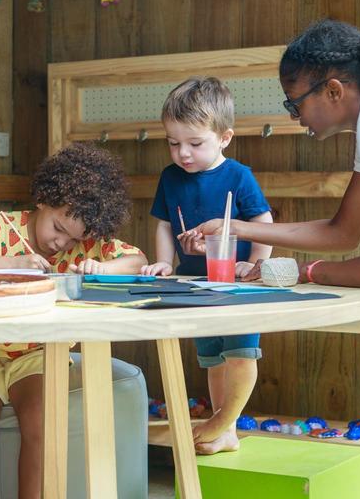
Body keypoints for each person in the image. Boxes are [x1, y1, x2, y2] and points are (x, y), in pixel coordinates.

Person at [0, 142, 146, 496]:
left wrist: (102, 268)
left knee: (41, 427)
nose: (61, 244)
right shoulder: (1, 228)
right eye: (58, 228)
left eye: (75, 239)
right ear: (43, 198)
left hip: (39, 353)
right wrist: (12, 264)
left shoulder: (84, 247)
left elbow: (137, 260)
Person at [185, 20, 360, 290]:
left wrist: (303, 271)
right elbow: (344, 232)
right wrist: (234, 228)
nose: (294, 117)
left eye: (294, 103)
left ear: (333, 91)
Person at [141, 77, 273, 454]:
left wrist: (254, 264)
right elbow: (163, 224)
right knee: (214, 360)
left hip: (239, 288)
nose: (183, 153)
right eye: (173, 143)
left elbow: (263, 222)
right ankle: (224, 432)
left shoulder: (239, 176)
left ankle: (220, 424)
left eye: (195, 143)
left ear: (224, 138)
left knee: (241, 355)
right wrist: (164, 262)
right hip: (196, 286)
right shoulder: (170, 178)